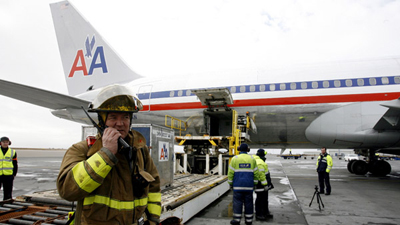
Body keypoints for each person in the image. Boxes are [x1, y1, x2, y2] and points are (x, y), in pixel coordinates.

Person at [57, 85, 161, 225]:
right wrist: (105, 155)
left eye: (125, 117)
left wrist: (153, 220)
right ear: (101, 121)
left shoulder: (140, 150)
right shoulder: (81, 150)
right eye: (113, 117)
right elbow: (67, 191)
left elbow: (154, 188)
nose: (120, 123)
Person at [228, 143, 267, 225]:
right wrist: (255, 183)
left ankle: (237, 220)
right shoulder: (252, 159)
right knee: (249, 203)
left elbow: (231, 173)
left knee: (237, 203)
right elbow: (256, 173)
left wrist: (230, 183)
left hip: (237, 186)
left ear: (239, 149)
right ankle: (248, 221)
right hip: (249, 186)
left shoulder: (235, 159)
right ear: (247, 150)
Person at [254, 149, 273, 220]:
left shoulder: (260, 161)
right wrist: (265, 184)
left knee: (264, 199)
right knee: (260, 199)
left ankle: (265, 212)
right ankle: (259, 214)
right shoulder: (259, 162)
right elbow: (261, 175)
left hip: (264, 183)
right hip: (261, 184)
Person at [0, 136, 18, 200]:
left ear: (9, 143)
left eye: (6, 142)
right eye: (3, 142)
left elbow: (15, 164)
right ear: (0, 143)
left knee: (8, 193)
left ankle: (6, 203)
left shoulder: (12, 152)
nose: (5, 143)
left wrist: (14, 174)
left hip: (8, 175)